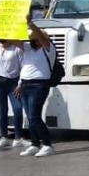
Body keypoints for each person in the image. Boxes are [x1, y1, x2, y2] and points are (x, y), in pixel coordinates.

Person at [16, 16, 56, 157]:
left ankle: (47, 144)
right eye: (31, 39)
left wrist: (30, 24)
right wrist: (1, 27)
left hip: (39, 85)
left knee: (34, 116)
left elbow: (40, 35)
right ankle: (34, 144)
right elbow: (12, 40)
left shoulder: (48, 49)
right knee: (30, 117)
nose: (32, 40)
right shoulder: (27, 49)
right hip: (26, 84)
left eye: (35, 38)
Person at [0, 40, 27, 149]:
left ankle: (18, 138)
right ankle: (4, 137)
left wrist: (20, 83)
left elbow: (23, 66)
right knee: (2, 110)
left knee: (17, 108)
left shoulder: (16, 48)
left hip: (12, 83)